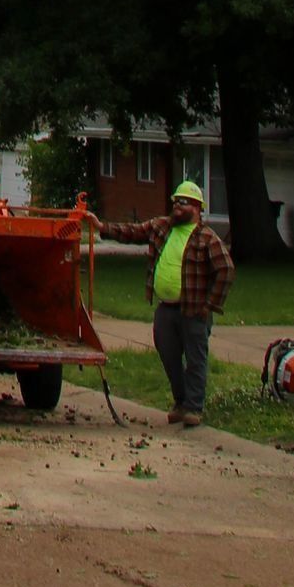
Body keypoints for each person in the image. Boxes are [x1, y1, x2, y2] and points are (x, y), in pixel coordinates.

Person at [99, 177, 234, 427]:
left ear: (196, 208)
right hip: (166, 309)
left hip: (194, 310)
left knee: (196, 359)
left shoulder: (206, 238)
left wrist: (210, 304)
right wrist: (101, 227)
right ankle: (181, 402)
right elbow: (133, 232)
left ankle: (194, 407)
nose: (177, 206)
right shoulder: (163, 227)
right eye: (175, 201)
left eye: (183, 203)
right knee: (169, 355)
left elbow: (226, 269)